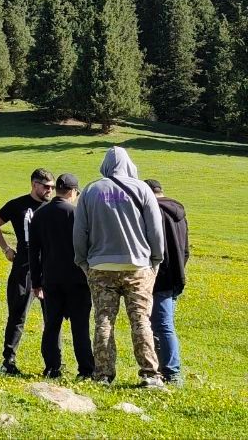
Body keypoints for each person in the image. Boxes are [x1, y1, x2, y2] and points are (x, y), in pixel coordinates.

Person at [73, 146, 166, 389]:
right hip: (137, 266)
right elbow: (155, 229)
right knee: (141, 320)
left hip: (100, 266)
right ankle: (150, 374)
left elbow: (79, 231)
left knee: (103, 320)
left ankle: (103, 375)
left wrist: (82, 261)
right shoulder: (142, 189)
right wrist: (156, 259)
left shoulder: (91, 190)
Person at [0, 167, 55, 374]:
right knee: (17, 315)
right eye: (46, 187)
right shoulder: (17, 205)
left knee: (51, 317)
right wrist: (6, 248)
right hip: (24, 268)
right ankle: (8, 361)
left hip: (48, 268)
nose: (50, 191)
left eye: (52, 187)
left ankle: (53, 364)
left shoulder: (53, 208)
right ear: (34, 184)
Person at [28, 173, 94, 380]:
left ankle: (52, 367)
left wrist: (36, 282)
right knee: (80, 326)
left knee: (52, 325)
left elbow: (33, 251)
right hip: (78, 280)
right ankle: (85, 369)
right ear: (73, 192)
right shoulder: (77, 214)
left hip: (51, 279)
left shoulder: (40, 214)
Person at [144, 178, 189, 386]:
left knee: (162, 325)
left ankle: (172, 373)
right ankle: (166, 369)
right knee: (163, 324)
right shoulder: (179, 212)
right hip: (177, 275)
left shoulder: (155, 211)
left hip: (159, 276)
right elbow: (186, 249)